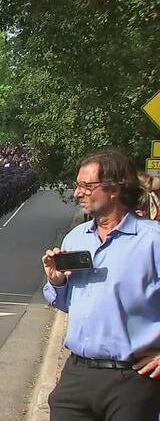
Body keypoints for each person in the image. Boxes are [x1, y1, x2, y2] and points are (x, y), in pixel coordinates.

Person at [43, 150, 160, 420]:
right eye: (77, 185)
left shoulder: (151, 241)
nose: (77, 193)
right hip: (77, 376)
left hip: (131, 380)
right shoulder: (76, 239)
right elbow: (67, 303)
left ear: (115, 188)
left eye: (87, 186)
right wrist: (56, 280)